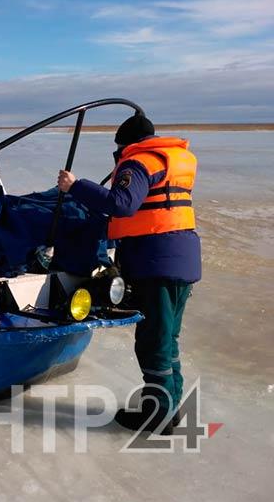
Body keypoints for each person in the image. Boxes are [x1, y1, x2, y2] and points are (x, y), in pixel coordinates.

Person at [57, 114, 201, 435]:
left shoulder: (138, 163)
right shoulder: (171, 160)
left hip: (157, 264)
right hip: (180, 261)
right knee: (167, 339)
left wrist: (75, 186)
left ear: (127, 144)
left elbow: (122, 203)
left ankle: (158, 415)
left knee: (153, 343)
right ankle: (169, 407)